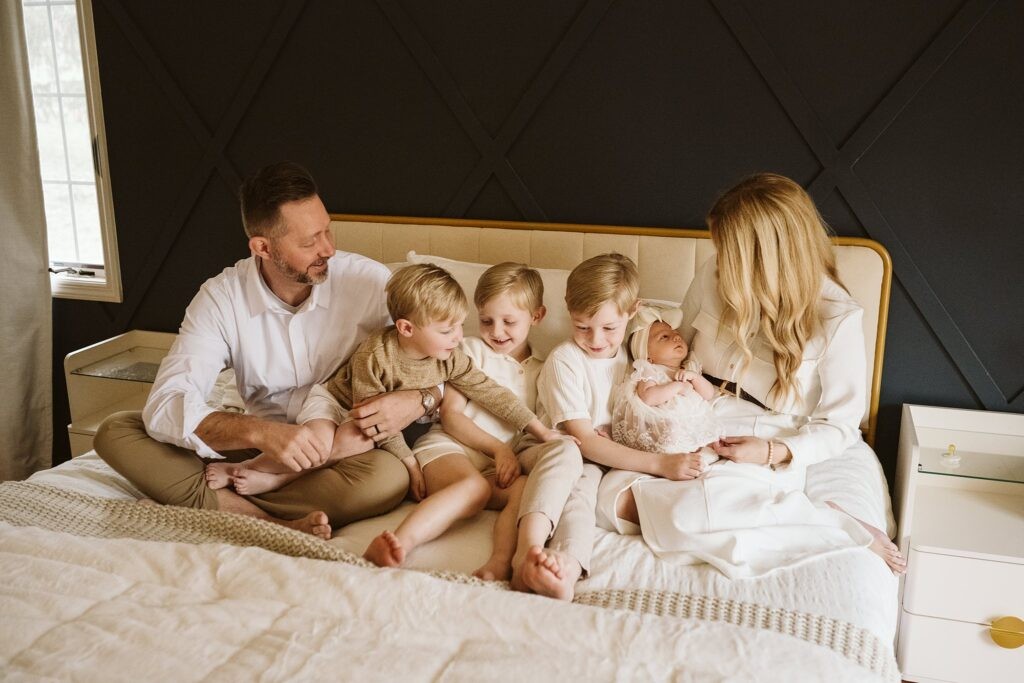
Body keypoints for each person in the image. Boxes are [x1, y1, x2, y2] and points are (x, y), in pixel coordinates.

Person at [94, 161, 427, 540]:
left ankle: (219, 504)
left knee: (386, 478)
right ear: (262, 247)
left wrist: (423, 398)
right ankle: (273, 523)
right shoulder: (221, 299)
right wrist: (261, 433)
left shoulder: (369, 283)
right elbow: (168, 401)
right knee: (116, 432)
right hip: (255, 451)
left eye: (327, 231)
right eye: (309, 242)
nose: (329, 249)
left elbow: (438, 356)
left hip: (341, 450)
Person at [596, 172, 905, 576]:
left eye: (728, 252)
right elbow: (675, 352)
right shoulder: (712, 274)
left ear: (767, 258)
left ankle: (836, 522)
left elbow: (840, 427)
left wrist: (773, 452)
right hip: (695, 410)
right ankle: (795, 518)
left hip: (769, 434)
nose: (719, 261)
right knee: (608, 502)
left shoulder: (837, 316)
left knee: (693, 513)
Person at [520, 253, 706, 601]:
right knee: (574, 465)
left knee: (584, 496)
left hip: (597, 459)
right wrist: (660, 464)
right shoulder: (566, 360)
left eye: (609, 328)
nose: (596, 339)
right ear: (568, 310)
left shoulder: (630, 359)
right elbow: (583, 439)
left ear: (632, 311)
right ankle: (526, 550)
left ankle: (566, 568)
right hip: (553, 451)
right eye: (582, 326)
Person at [410, 262, 583, 581]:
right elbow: (451, 416)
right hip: (448, 450)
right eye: (486, 320)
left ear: (537, 316)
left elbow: (542, 429)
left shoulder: (544, 368)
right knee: (471, 485)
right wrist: (499, 450)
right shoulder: (471, 351)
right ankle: (401, 542)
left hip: (494, 469)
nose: (496, 331)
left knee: (525, 493)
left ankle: (504, 562)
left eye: (508, 321)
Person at [611, 304, 721, 456]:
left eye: (675, 333)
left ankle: (699, 448)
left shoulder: (689, 368)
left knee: (709, 434)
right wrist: (677, 387)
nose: (676, 337)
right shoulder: (649, 369)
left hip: (689, 422)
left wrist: (695, 378)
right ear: (648, 355)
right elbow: (648, 397)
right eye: (664, 337)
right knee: (670, 429)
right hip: (661, 424)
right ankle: (673, 453)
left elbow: (708, 395)